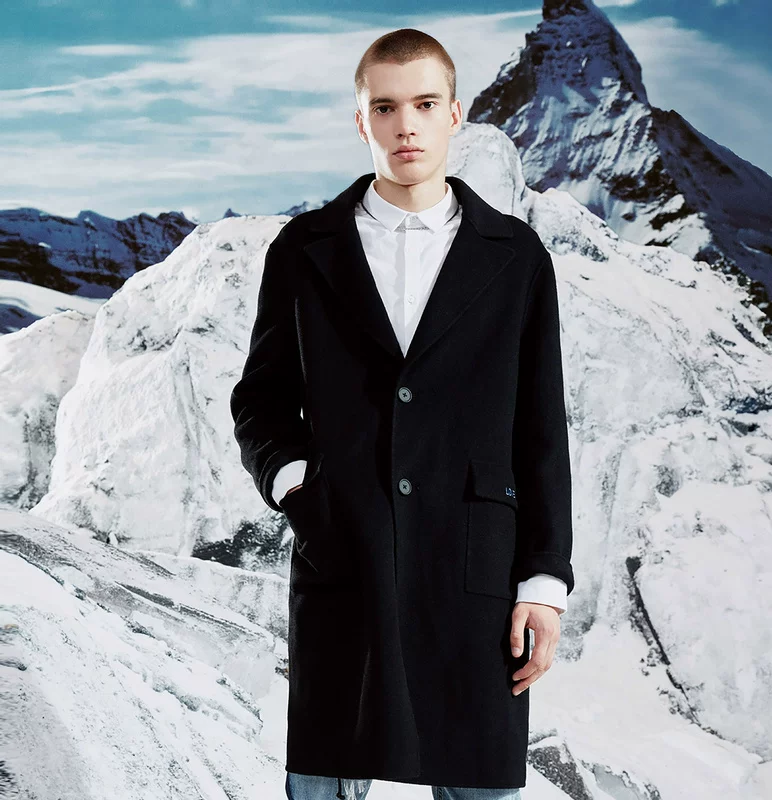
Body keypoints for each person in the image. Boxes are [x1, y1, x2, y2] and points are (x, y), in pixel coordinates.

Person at [230, 27, 575, 800]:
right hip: (344, 559)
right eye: (385, 108)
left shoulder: (516, 257)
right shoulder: (305, 248)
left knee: (480, 783)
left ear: (455, 114)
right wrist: (298, 486)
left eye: (423, 104)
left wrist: (544, 581)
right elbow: (260, 397)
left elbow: (541, 430)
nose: (405, 125)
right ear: (362, 121)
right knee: (322, 785)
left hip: (476, 576)